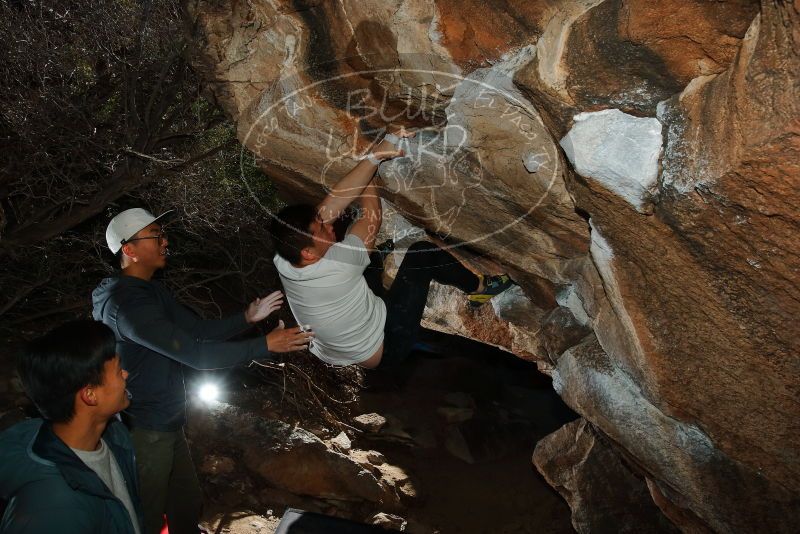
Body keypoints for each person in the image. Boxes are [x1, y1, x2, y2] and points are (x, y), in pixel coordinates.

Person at [92, 207, 312, 534]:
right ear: (129, 250)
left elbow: (195, 331)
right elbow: (196, 355)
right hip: (146, 428)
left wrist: (246, 318)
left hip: (166, 420)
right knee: (147, 516)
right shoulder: (128, 306)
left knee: (185, 501)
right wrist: (264, 345)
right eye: (157, 235)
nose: (166, 241)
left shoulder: (150, 291)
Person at [271, 130, 514, 369]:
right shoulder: (338, 266)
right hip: (385, 345)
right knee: (422, 254)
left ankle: (375, 258)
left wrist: (373, 157)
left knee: (364, 257)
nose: (329, 226)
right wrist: (370, 173)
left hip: (338, 346)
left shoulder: (284, 258)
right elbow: (372, 217)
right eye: (322, 228)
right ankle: (479, 289)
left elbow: (333, 202)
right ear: (308, 253)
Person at [0, 320, 143, 534]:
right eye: (118, 370)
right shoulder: (51, 509)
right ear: (90, 395)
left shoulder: (113, 437)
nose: (126, 375)